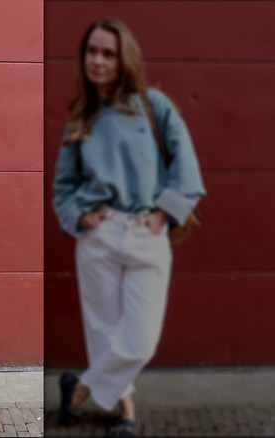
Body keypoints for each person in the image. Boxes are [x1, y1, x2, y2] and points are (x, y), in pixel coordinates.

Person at [51, 17, 206, 437]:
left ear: (124, 59)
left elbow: (185, 166)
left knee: (140, 340)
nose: (97, 60)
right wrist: (78, 216)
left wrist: (164, 211)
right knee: (103, 329)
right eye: (92, 52)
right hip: (98, 236)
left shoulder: (153, 105)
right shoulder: (81, 118)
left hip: (147, 232)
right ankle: (125, 410)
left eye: (108, 53)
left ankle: (79, 390)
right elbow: (63, 188)